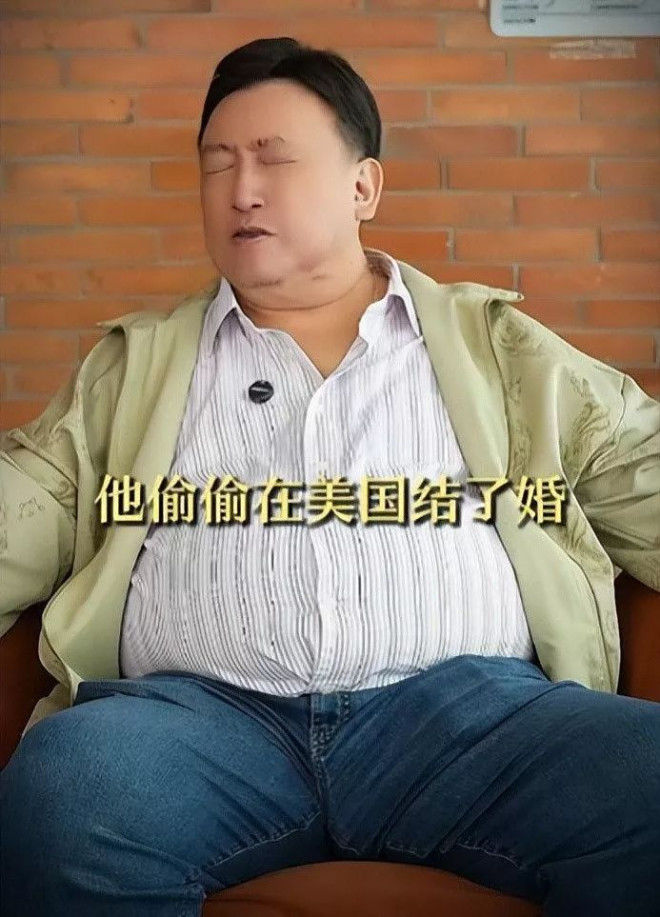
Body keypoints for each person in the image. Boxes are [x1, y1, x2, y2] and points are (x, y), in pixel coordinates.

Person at [1, 37, 659, 917]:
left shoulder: (499, 351)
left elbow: (640, 469)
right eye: (218, 164)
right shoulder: (136, 368)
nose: (241, 189)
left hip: (467, 723)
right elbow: (26, 505)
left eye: (274, 159)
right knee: (64, 795)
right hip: (199, 728)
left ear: (363, 187)